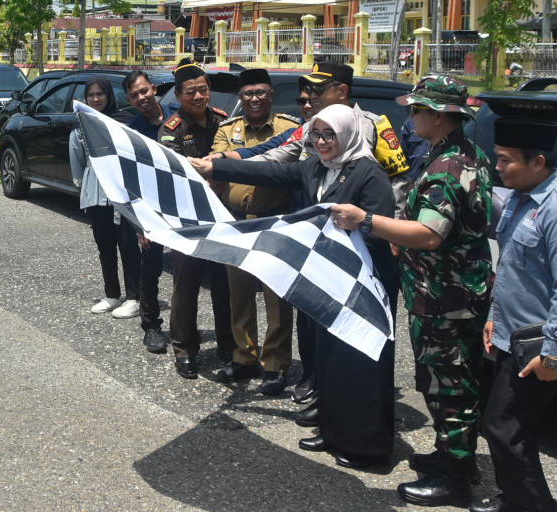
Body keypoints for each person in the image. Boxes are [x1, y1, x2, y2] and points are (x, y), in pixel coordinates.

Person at [191, 104, 398, 470]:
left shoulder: (369, 174)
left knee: (360, 362)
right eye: (315, 135)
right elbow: (269, 170)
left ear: (347, 134)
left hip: (362, 284)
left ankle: (369, 447)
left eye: (328, 135)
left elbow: (380, 232)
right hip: (327, 279)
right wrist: (216, 166)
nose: (320, 142)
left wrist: (355, 225)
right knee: (328, 359)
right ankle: (334, 431)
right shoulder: (314, 167)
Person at [333, 75, 492, 507]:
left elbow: (428, 233)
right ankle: (448, 455)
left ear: (440, 117)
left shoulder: (448, 167)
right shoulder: (455, 153)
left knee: (448, 387)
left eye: (417, 110)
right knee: (446, 381)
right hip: (446, 291)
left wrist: (365, 220)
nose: (410, 116)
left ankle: (456, 479)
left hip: (446, 297)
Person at [469, 118, 557, 512]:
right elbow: (508, 267)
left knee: (504, 427)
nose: (497, 168)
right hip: (510, 334)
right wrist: (493, 315)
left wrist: (555, 352)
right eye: (497, 159)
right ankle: (517, 499)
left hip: (539, 345)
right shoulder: (523, 199)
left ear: (538, 162)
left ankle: (533, 505)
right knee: (508, 427)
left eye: (506, 161)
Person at [209, 68, 301, 395]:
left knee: (277, 298)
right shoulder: (227, 130)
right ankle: (244, 356)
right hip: (236, 222)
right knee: (240, 294)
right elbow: (219, 160)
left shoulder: (290, 129)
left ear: (272, 95)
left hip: (276, 221)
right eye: (248, 93)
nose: (255, 99)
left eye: (261, 92)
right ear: (240, 98)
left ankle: (276, 365)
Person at [159, 59, 233, 379]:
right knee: (185, 287)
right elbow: (175, 172)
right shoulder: (171, 129)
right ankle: (185, 349)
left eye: (203, 89)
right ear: (178, 96)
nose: (199, 96)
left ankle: (229, 346)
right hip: (189, 220)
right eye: (191, 92)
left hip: (224, 219)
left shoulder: (224, 121)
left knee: (224, 285)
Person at [69, 77, 140, 318]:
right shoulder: (81, 125)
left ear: (109, 95)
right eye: (91, 95)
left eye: (100, 94)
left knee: (128, 245)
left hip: (122, 193)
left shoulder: (125, 122)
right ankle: (111, 295)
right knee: (105, 246)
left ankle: (134, 297)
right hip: (96, 194)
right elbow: (78, 161)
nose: (96, 99)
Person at [122, 69, 177, 354]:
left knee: (186, 271)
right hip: (151, 211)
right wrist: (139, 224)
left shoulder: (179, 118)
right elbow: (129, 182)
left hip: (182, 207)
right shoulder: (131, 132)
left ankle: (182, 328)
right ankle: (151, 326)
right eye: (134, 96)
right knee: (150, 271)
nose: (141, 98)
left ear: (154, 89)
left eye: (144, 91)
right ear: (130, 100)